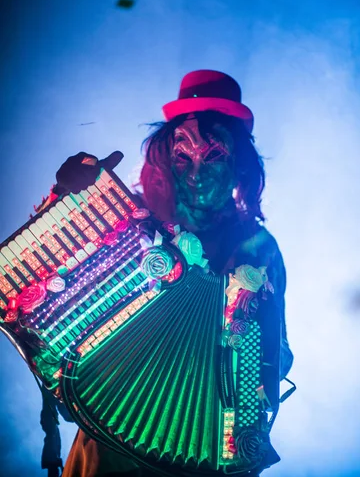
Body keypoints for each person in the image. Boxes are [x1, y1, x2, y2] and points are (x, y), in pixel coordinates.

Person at [36, 70, 294, 477]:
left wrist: (251, 364)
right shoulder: (128, 223)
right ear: (164, 160)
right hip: (105, 445)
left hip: (207, 456)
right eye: (182, 157)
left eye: (213, 156)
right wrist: (68, 199)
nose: (196, 173)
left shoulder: (258, 247)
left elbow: (277, 358)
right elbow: (47, 282)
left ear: (239, 165)